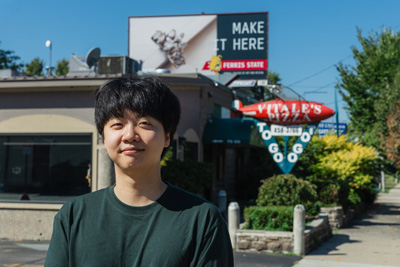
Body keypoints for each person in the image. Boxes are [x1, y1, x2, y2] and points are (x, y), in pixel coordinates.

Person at [44, 75, 234, 266]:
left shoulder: (202, 220)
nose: (130, 135)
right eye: (117, 124)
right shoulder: (73, 216)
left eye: (144, 123)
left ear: (167, 137)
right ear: (103, 137)